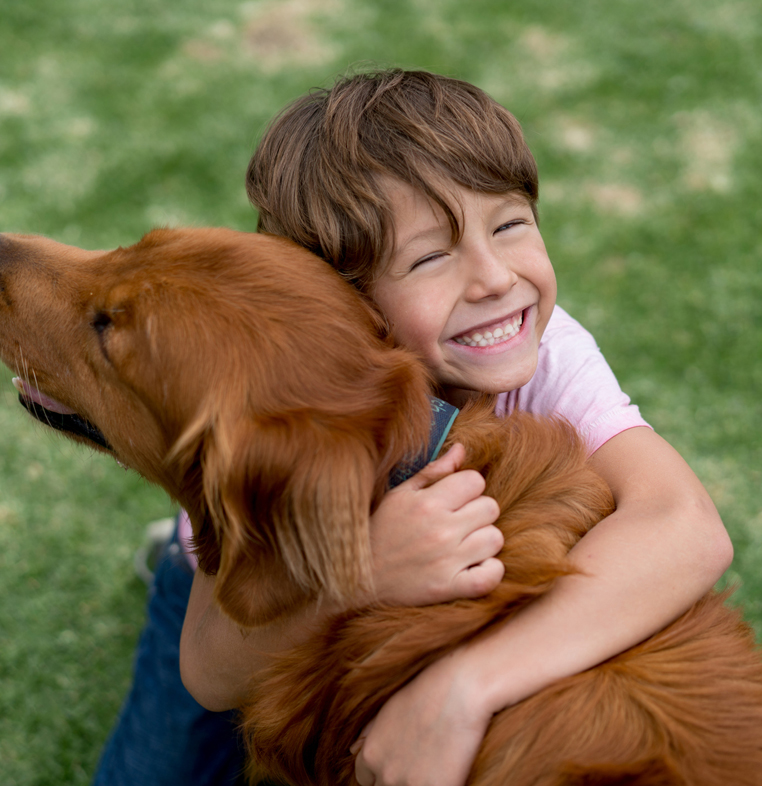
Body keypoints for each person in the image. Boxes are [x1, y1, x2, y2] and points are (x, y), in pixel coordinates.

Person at [98, 68, 732, 786]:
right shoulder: (269, 405)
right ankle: (178, 563)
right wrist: (361, 576)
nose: (495, 279)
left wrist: (465, 688)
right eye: (431, 256)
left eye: (511, 223)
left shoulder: (548, 351)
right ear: (347, 307)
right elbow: (212, 674)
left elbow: (687, 527)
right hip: (269, 581)